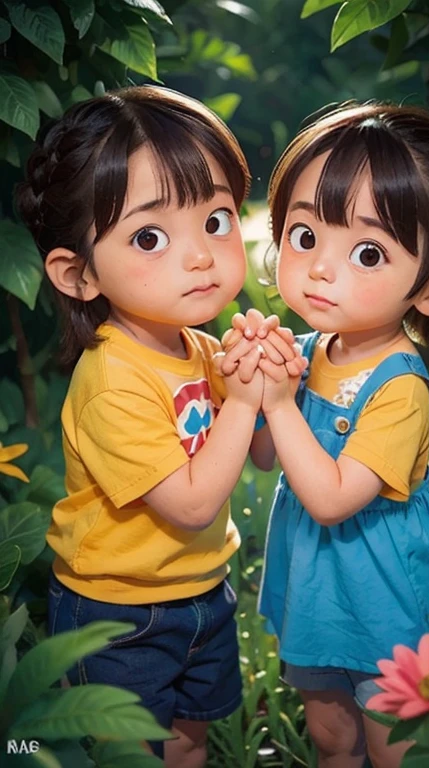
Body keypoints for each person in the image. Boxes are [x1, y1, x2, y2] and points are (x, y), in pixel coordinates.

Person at [15, 85, 301, 768]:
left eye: (218, 219)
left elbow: (258, 458)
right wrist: (237, 403)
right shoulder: (111, 381)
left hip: (202, 588)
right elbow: (195, 501)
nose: (201, 255)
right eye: (150, 236)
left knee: (187, 737)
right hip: (117, 610)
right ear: (78, 274)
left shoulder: (197, 348)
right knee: (127, 753)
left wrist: (270, 392)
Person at [219, 103, 429, 768]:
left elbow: (334, 497)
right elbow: (267, 458)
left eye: (367, 252)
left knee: (394, 740)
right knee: (331, 735)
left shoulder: (399, 387)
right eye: (304, 234)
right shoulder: (315, 348)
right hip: (317, 587)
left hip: (384, 594)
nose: (319, 268)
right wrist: (250, 391)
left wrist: (282, 405)